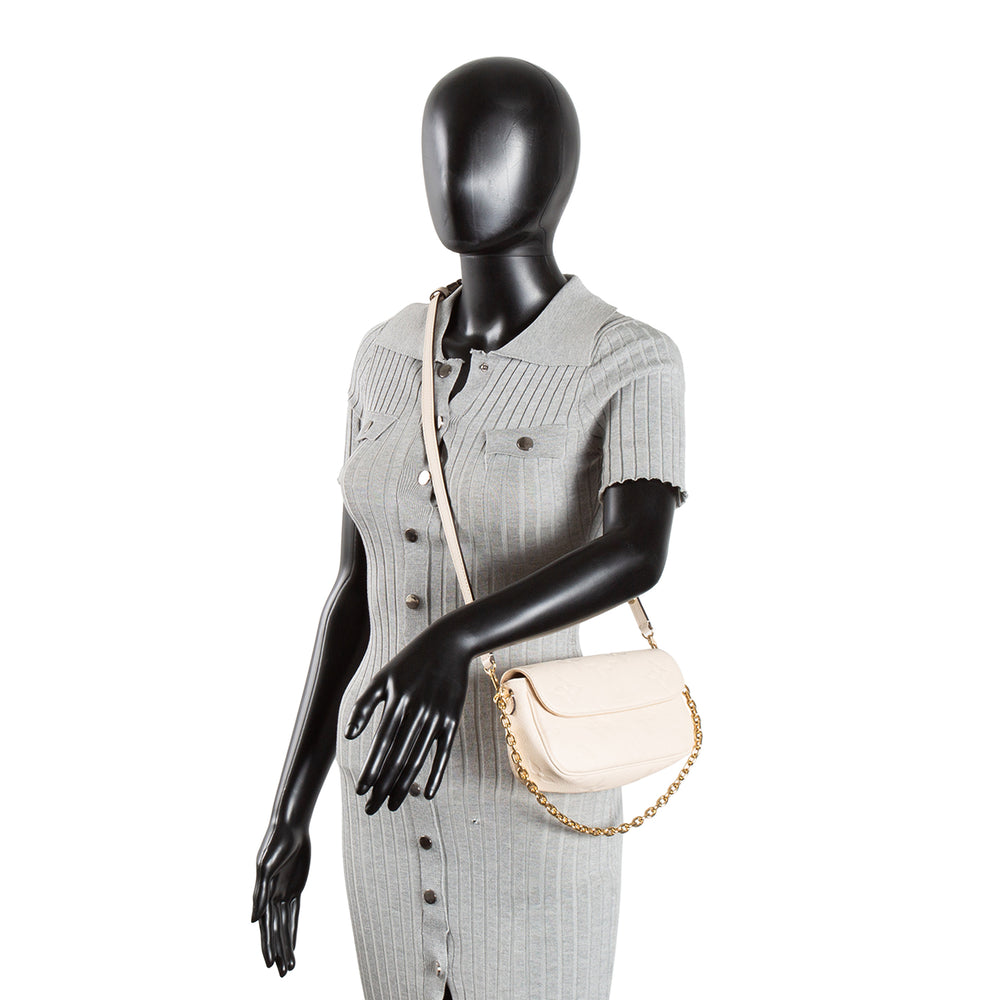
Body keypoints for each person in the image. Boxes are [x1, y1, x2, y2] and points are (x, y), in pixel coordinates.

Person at [252, 55, 687, 1000]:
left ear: (553, 172)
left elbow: (636, 550)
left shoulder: (626, 359)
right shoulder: (382, 357)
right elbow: (352, 594)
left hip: (529, 791)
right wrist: (290, 806)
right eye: (440, 148)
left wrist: (456, 636)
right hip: (380, 791)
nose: (455, 173)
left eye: (487, 148)